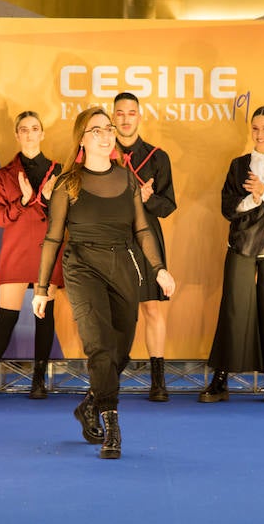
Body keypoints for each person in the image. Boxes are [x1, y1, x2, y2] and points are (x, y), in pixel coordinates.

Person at [32, 107, 176, 460]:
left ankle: (89, 404)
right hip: (82, 267)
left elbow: (142, 229)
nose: (106, 134)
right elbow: (52, 238)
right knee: (99, 346)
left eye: (109, 128)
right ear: (82, 139)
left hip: (124, 266)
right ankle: (112, 426)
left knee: (120, 351)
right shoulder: (68, 183)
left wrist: (159, 269)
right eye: (96, 129)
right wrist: (40, 289)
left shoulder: (127, 180)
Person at [0, 111, 63, 402]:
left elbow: (65, 218)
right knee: (6, 317)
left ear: (42, 133)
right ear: (17, 135)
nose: (29, 134)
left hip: (47, 249)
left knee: (44, 315)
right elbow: (0, 218)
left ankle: (39, 380)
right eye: (24, 130)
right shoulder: (5, 174)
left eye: (34, 128)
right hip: (16, 250)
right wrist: (25, 201)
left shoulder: (59, 171)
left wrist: (49, 198)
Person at [199, 105, 264, 404]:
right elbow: (228, 207)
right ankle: (220, 379)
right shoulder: (239, 164)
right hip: (242, 244)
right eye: (255, 128)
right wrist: (254, 198)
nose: (260, 134)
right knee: (234, 309)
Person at [112, 92, 177, 402]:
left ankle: (158, 379)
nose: (125, 118)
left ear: (139, 116)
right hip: (112, 239)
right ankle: (108, 376)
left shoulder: (157, 157)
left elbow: (169, 206)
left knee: (151, 308)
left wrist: (149, 199)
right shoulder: (100, 153)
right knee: (114, 311)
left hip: (147, 239)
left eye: (131, 113)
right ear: (113, 116)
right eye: (120, 113)